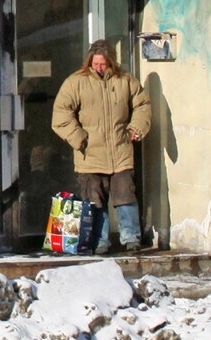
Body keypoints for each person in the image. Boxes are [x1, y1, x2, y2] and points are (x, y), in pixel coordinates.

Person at [51, 38, 150, 253]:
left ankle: (131, 238)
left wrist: (137, 126)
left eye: (103, 64)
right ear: (89, 62)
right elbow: (61, 114)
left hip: (120, 151)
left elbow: (142, 104)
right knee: (95, 201)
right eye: (95, 64)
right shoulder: (75, 82)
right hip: (89, 154)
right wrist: (78, 138)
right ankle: (100, 241)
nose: (99, 68)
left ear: (111, 62)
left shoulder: (125, 80)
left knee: (126, 197)